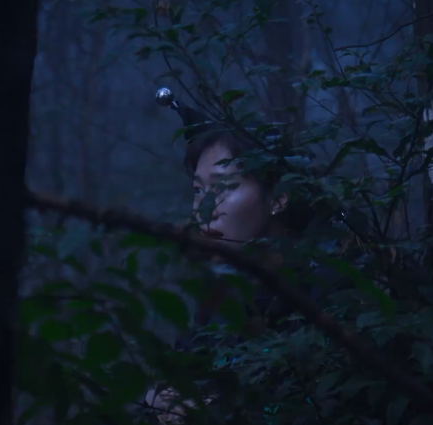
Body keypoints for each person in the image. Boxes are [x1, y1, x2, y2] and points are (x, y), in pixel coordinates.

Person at [143, 89, 341, 423]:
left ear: (278, 198)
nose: (205, 209)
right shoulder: (218, 302)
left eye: (223, 186)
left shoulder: (329, 292)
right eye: (198, 190)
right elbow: (174, 383)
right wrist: (157, 401)